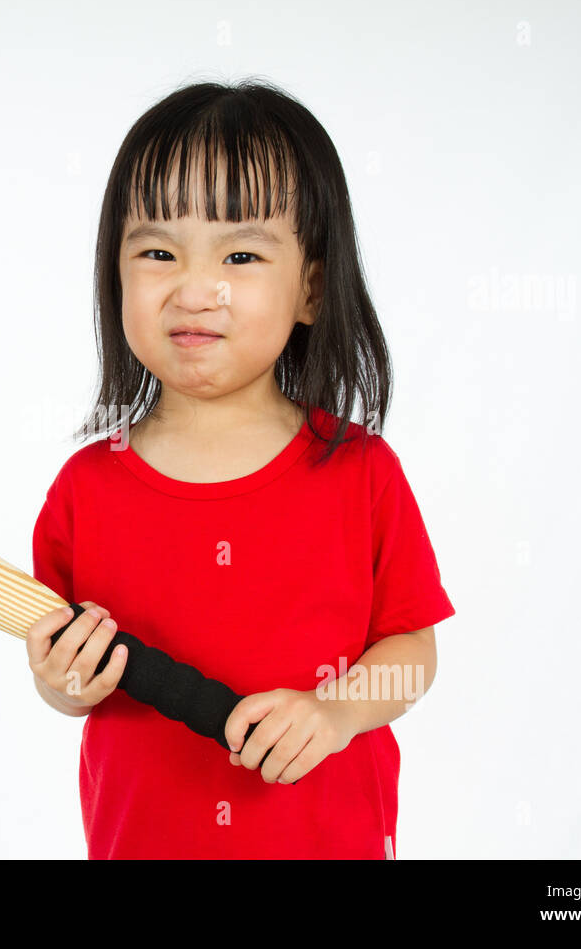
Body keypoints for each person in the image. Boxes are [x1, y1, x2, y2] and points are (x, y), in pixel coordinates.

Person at [26, 77, 455, 859]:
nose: (197, 288)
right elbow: (62, 673)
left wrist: (334, 713)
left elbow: (412, 657)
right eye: (158, 251)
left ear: (312, 291)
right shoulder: (87, 489)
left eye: (242, 254)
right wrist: (63, 684)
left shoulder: (361, 473)